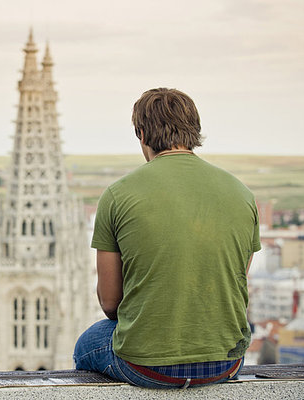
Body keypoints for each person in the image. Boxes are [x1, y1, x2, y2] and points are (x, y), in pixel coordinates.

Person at [73, 88, 260, 389]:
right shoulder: (242, 193)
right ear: (195, 131)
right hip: (226, 363)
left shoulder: (118, 195)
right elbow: (232, 283)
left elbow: (110, 304)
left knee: (90, 341)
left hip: (145, 367)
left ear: (142, 135)